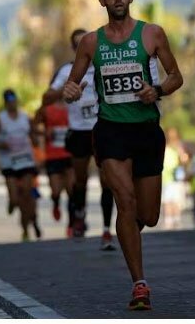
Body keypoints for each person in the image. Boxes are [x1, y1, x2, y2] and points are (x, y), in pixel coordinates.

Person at [63, 0, 183, 310]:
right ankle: (140, 285)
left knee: (148, 214)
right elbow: (72, 87)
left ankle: (127, 229)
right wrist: (71, 91)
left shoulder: (152, 34)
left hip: (146, 131)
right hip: (110, 130)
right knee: (125, 201)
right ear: (101, 1)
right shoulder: (90, 43)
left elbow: (176, 76)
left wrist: (156, 90)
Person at [43, 29, 116, 250]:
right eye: (77, 44)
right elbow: (46, 98)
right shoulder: (67, 70)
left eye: (86, 42)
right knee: (80, 180)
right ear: (74, 48)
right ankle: (79, 216)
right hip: (78, 131)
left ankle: (105, 230)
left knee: (107, 180)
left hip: (102, 127)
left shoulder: (104, 65)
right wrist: (66, 91)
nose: (82, 47)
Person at [0, 89, 41, 241]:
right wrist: (2, 145)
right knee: (16, 199)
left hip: (25, 160)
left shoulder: (25, 117)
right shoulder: (1, 120)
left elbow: (33, 134)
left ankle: (26, 228)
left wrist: (35, 140)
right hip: (9, 162)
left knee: (27, 196)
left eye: (14, 100)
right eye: (9, 102)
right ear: (5, 103)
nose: (13, 104)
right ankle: (12, 202)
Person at [34, 100, 75, 234]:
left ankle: (71, 224)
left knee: (71, 191)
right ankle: (56, 203)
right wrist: (44, 133)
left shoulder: (73, 105)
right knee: (56, 191)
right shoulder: (47, 108)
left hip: (70, 154)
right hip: (53, 156)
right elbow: (33, 126)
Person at [161, 127, 189, 229]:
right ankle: (169, 220)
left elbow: (184, 160)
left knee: (174, 200)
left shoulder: (178, 147)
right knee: (168, 200)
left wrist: (180, 151)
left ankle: (175, 220)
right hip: (166, 177)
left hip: (175, 177)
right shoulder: (164, 147)